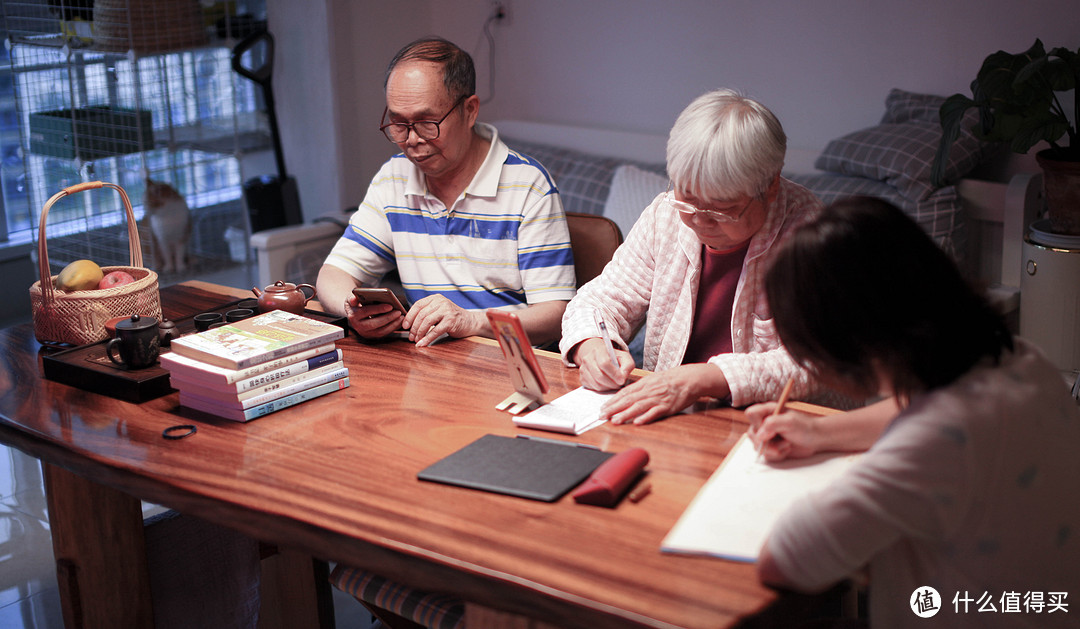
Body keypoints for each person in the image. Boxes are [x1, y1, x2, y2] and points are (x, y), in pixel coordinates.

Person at [753, 197, 1080, 628]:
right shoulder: (1021, 362)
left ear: (847, 343)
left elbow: (782, 560)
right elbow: (919, 413)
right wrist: (819, 434)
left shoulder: (933, 443)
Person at [559, 88, 829, 425]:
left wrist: (703, 379)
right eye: (688, 198)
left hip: (773, 424)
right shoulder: (666, 214)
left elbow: (818, 361)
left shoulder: (814, 236)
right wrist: (593, 346)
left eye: (723, 209)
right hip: (670, 415)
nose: (699, 219)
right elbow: (602, 300)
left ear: (770, 187)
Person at [317, 37, 576, 347]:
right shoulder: (394, 178)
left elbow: (556, 314)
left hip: (511, 366)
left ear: (470, 110)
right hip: (432, 361)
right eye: (398, 123)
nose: (412, 140)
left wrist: (471, 321)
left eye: (427, 123)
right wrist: (352, 307)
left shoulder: (529, 187)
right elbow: (333, 273)